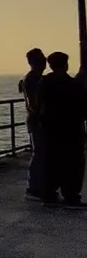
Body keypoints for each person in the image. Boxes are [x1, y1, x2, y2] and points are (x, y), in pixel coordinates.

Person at [35, 52, 86, 208]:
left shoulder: (43, 83)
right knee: (73, 163)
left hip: (50, 129)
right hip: (72, 129)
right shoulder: (74, 85)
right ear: (66, 65)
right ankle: (71, 196)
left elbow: (38, 106)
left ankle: (48, 195)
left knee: (50, 162)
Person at [18, 48, 47, 200]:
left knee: (41, 153)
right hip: (37, 121)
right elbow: (32, 104)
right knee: (39, 153)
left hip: (37, 120)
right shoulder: (32, 79)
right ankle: (33, 187)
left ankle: (38, 185)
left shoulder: (34, 78)